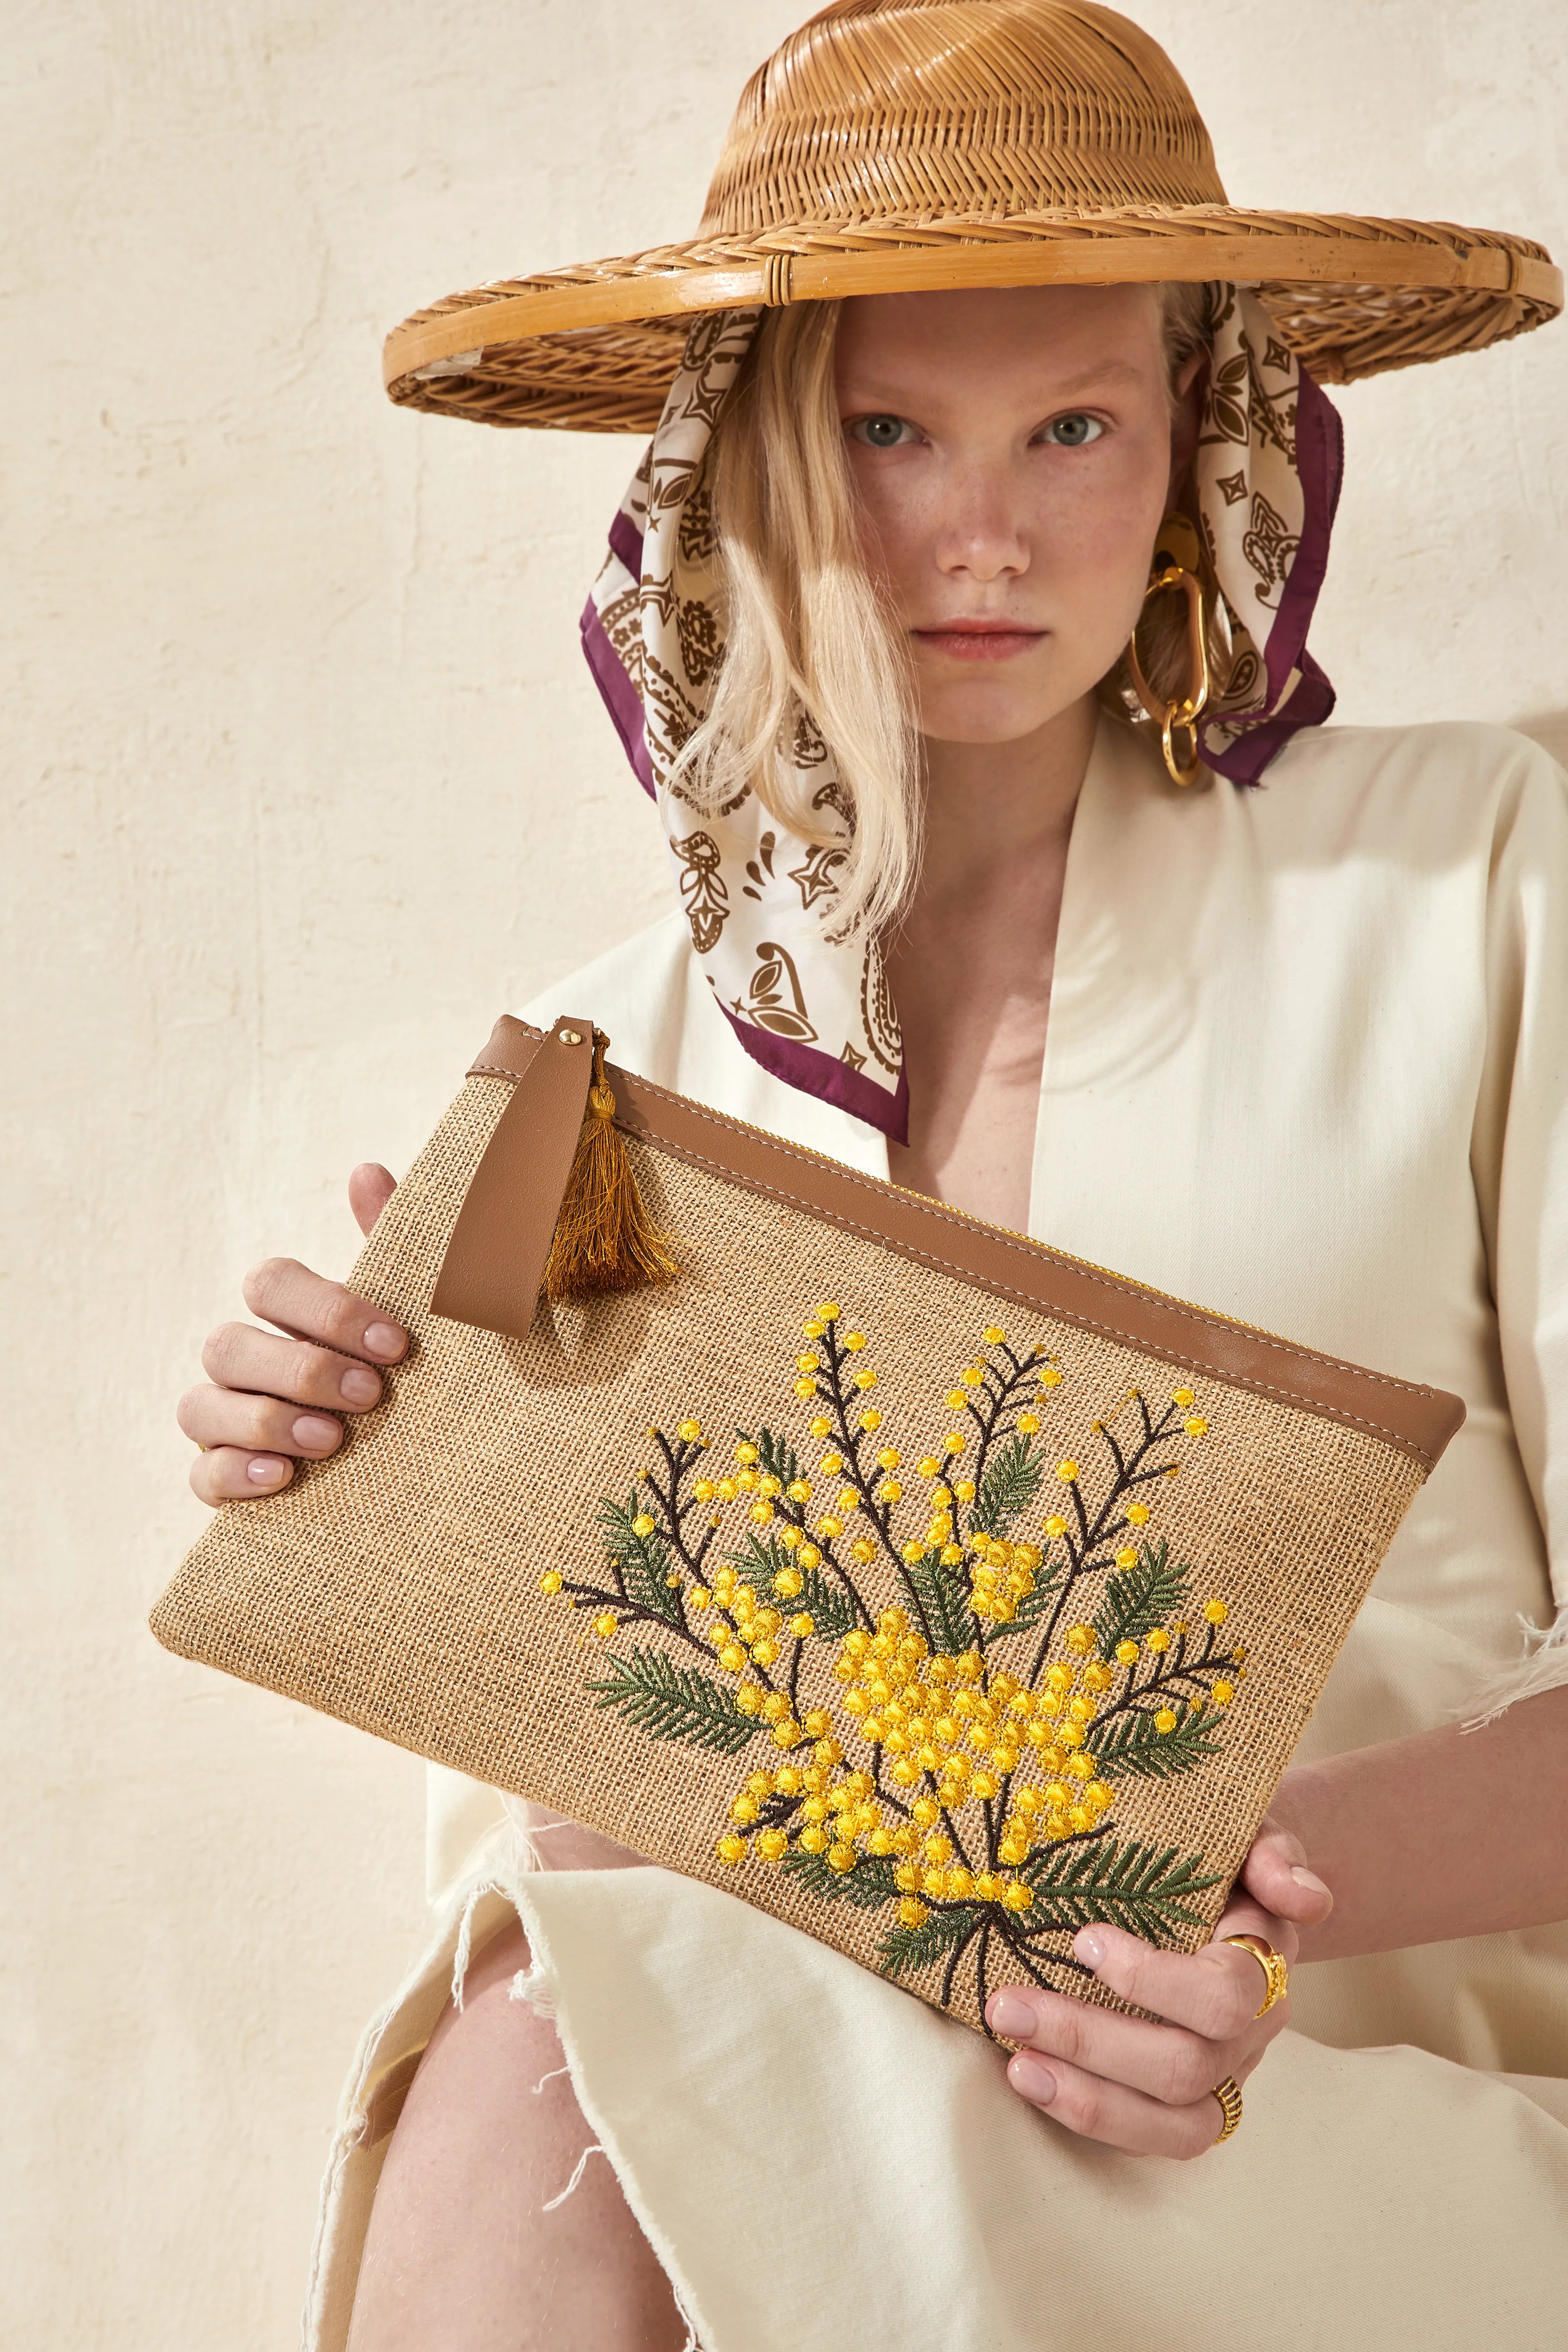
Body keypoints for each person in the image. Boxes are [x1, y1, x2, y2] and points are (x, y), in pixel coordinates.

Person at [177, 5, 1568, 2347]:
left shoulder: (1484, 870)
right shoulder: (590, 1071)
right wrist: (347, 1467)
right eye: (885, 430)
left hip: (1352, 2115)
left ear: (1205, 437)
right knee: (543, 2027)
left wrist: (1233, 1904)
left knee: (562, 2059)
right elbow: (563, 1847)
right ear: (746, 462)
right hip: (772, 2106)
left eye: (1073, 427)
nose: (983, 535)